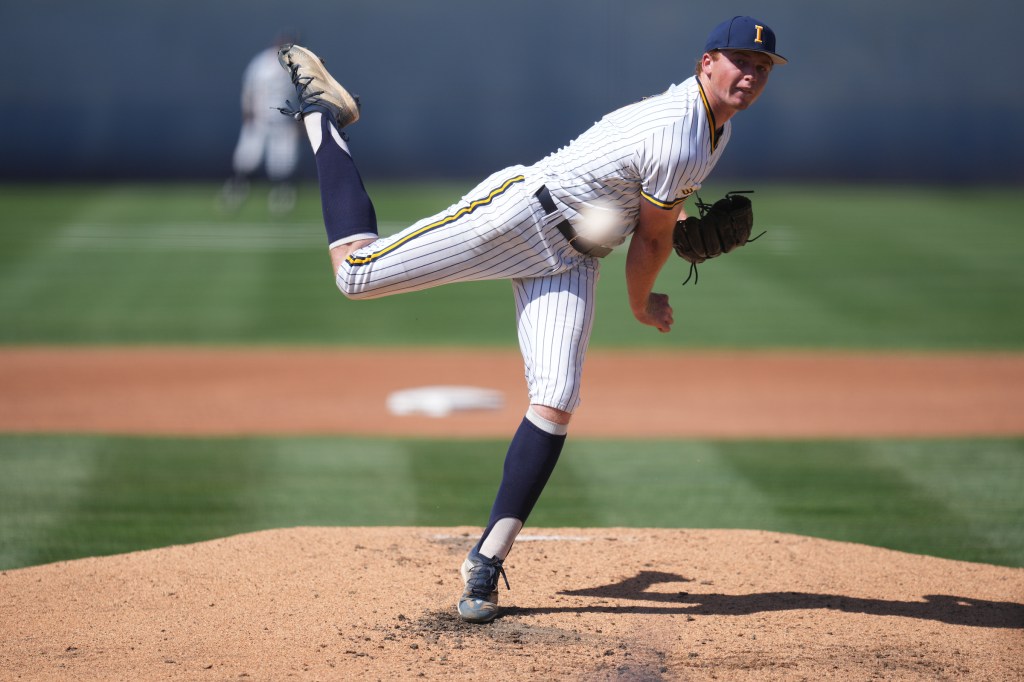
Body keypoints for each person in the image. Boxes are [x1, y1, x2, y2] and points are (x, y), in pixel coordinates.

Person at [276, 15, 785, 624]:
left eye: (761, 68)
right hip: (521, 216)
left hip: (572, 257)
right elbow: (649, 243)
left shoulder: (713, 130)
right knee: (354, 275)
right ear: (707, 63)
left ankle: (485, 563)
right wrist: (641, 304)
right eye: (739, 61)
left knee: (556, 398)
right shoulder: (681, 130)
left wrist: (670, 230)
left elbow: (647, 213)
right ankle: (322, 117)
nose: (750, 75)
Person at [221, 38, 303, 215]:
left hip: (283, 120)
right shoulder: (261, 63)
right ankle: (236, 190)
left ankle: (282, 195)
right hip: (260, 118)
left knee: (283, 162)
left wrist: (299, 120)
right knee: (247, 158)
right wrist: (247, 112)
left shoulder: (296, 64)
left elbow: (301, 94)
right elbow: (249, 89)